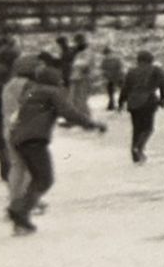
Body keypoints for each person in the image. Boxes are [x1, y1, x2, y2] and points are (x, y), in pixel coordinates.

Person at [7, 65, 106, 235]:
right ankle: (19, 210)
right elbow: (69, 113)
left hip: (18, 139)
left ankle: (21, 216)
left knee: (37, 178)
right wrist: (93, 124)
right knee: (44, 179)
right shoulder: (52, 92)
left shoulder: (31, 91)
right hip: (34, 139)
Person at [1, 55, 43, 216]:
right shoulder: (30, 86)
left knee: (17, 167)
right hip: (26, 131)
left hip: (10, 130)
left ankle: (15, 203)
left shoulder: (9, 85)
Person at [119, 50, 164, 164]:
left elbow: (125, 88)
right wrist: (163, 99)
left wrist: (121, 102)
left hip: (132, 102)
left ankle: (135, 154)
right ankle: (139, 148)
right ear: (151, 59)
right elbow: (163, 84)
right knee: (148, 128)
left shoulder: (131, 71)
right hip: (148, 101)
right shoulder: (155, 70)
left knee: (137, 129)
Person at [0, 41, 20, 184]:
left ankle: (5, 171)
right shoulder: (4, 70)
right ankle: (6, 171)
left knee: (1, 140)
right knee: (2, 140)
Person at [68, 34, 94, 119]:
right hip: (76, 78)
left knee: (81, 99)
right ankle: (78, 118)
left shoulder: (87, 52)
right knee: (74, 99)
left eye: (77, 43)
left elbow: (85, 64)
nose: (75, 45)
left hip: (83, 78)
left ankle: (86, 118)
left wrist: (75, 64)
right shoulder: (78, 53)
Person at [99, 46, 125, 111]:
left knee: (122, 90)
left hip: (118, 77)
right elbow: (102, 69)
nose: (107, 56)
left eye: (108, 54)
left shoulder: (116, 59)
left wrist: (118, 76)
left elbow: (120, 68)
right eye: (106, 54)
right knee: (110, 91)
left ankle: (121, 104)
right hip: (110, 78)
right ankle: (111, 104)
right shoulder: (105, 61)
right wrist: (105, 76)